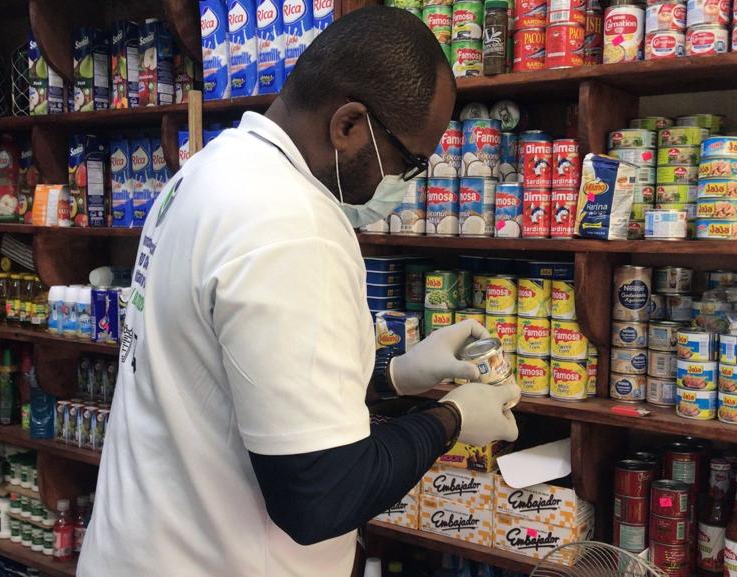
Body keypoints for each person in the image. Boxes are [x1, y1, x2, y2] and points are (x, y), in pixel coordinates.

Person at [78, 6, 520, 577]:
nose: (407, 188)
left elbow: (246, 372)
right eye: (410, 162)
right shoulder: (292, 225)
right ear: (349, 125)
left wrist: (395, 373)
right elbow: (320, 497)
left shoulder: (213, 168)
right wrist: (453, 419)